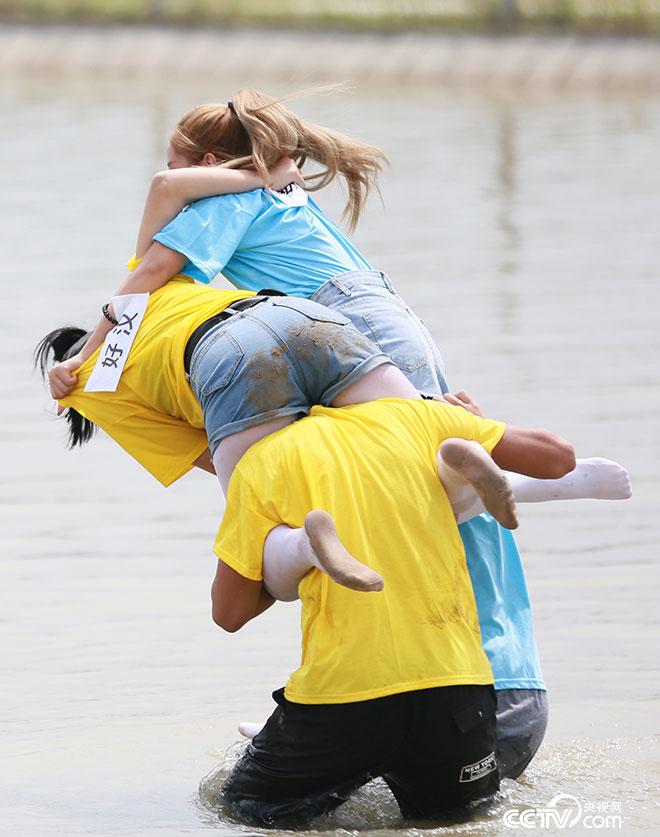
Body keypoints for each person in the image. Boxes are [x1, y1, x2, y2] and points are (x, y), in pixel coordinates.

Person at [45, 90, 632, 778]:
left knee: (366, 491)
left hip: (343, 319)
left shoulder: (221, 203)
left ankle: (346, 691)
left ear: (205, 162)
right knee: (406, 473)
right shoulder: (288, 197)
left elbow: (148, 269)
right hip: (380, 314)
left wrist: (86, 353)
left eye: (176, 158)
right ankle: (526, 484)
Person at [209, 396, 579, 827]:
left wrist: (277, 575)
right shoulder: (422, 415)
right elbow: (558, 457)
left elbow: (228, 613)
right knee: (458, 822)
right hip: (457, 693)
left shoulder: (263, 459)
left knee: (241, 811)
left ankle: (304, 547)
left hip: (344, 698)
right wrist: (474, 421)